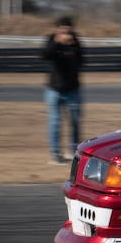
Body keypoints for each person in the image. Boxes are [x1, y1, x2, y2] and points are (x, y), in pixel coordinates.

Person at [41, 16, 84, 164]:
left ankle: (75, 152)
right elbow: (44, 56)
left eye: (68, 28)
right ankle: (55, 153)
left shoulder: (76, 41)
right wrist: (57, 44)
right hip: (54, 89)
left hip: (73, 89)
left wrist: (71, 48)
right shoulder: (51, 39)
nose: (65, 31)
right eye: (62, 28)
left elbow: (81, 62)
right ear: (57, 28)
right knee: (54, 122)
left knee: (75, 122)